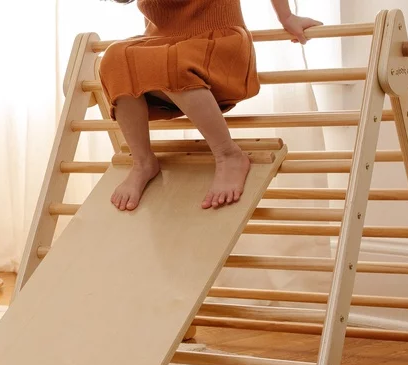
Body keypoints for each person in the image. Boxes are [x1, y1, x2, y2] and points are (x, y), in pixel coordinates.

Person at [99, 0, 322, 211]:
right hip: (164, 46)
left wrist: (286, 17)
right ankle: (143, 162)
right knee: (113, 58)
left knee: (170, 61)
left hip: (219, 45)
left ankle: (228, 154)